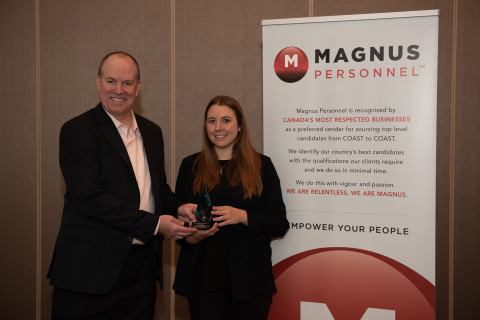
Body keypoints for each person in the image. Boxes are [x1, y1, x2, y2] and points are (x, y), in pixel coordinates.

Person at [47, 51, 197, 320]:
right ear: (98, 82)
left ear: (138, 87)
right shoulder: (78, 130)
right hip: (89, 271)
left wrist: (178, 207)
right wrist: (155, 225)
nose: (119, 90)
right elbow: (90, 198)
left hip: (141, 270)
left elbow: (157, 189)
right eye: (111, 81)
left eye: (127, 83)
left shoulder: (152, 132)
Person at [173, 95, 289, 320]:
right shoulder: (190, 166)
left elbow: (280, 223)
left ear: (239, 126)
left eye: (226, 120)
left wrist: (243, 216)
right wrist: (190, 237)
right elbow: (178, 222)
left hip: (249, 283)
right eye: (211, 121)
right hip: (202, 282)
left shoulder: (262, 166)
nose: (218, 127)